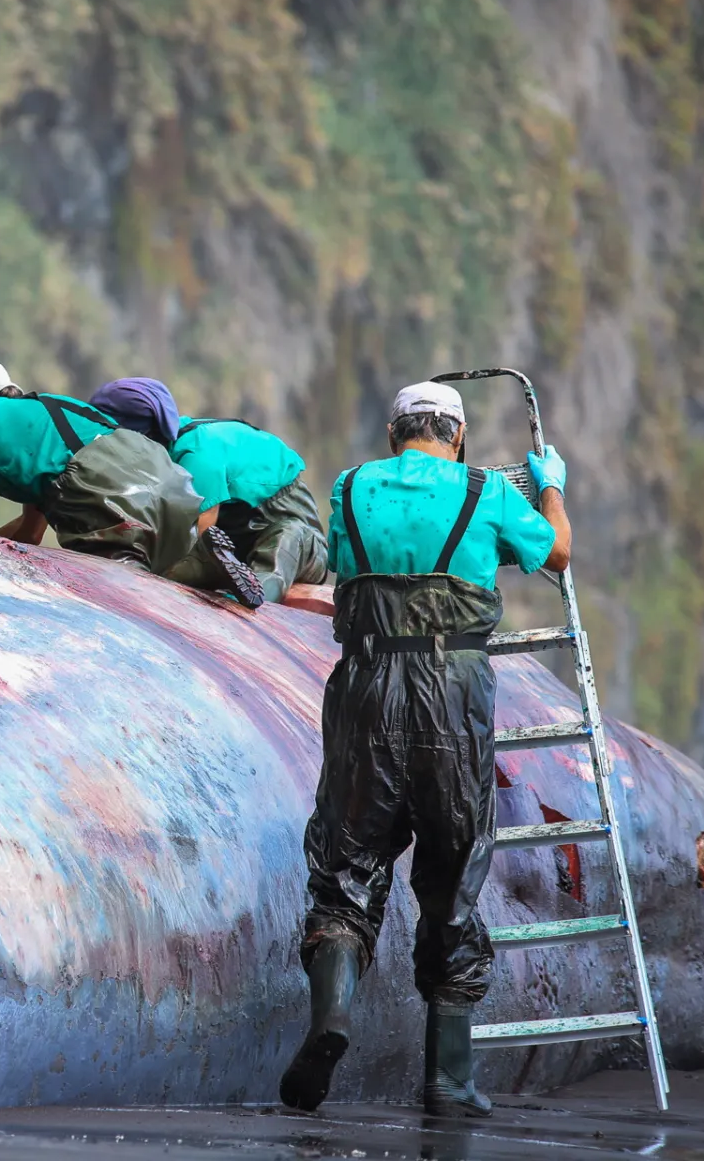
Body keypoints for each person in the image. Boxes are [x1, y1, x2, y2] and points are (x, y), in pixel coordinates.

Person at [280, 381, 572, 1117]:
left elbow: (344, 568)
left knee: (345, 867)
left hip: (366, 687)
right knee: (451, 872)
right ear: (458, 435)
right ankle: (447, 1079)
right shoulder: (484, 491)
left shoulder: (349, 490)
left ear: (392, 434)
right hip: (453, 692)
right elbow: (558, 554)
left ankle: (331, 1020)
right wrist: (551, 490)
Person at [0, 360, 264, 605]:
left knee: (117, 585)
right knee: (157, 557)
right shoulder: (50, 415)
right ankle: (196, 561)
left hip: (107, 490)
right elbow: (30, 533)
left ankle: (184, 568)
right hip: (167, 479)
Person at [89, 378, 328, 604]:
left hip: (300, 549)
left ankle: (257, 601)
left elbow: (202, 535)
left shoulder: (198, 453)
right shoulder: (166, 456)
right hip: (237, 547)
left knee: (283, 542)